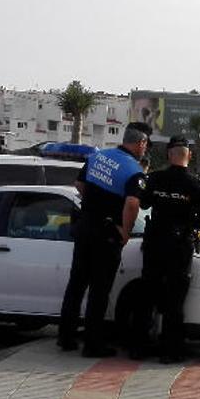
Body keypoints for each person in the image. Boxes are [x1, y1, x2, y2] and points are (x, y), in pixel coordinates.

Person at [58, 122, 151, 358]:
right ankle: (92, 344)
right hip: (107, 234)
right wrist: (126, 231)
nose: (145, 149)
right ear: (140, 143)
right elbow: (132, 204)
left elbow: (79, 184)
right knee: (99, 291)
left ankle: (65, 337)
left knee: (76, 284)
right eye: (145, 145)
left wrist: (95, 205)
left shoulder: (98, 157)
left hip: (85, 226)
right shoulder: (134, 170)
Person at [134, 135, 200, 363]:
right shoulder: (196, 185)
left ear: (169, 155)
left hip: (155, 243)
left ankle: (138, 347)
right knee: (174, 300)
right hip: (179, 246)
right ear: (190, 155)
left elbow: (144, 203)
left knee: (147, 294)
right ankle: (170, 351)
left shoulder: (154, 179)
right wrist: (186, 225)